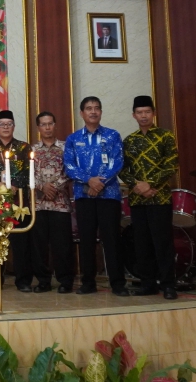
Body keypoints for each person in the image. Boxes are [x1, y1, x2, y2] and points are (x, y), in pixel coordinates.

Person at [64, 96, 129, 296]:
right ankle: (88, 283)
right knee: (87, 240)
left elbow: (117, 162)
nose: (93, 111)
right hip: (84, 197)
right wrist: (89, 180)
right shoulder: (73, 139)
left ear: (101, 112)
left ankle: (118, 283)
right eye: (89, 108)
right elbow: (69, 166)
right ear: (82, 113)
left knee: (112, 240)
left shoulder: (112, 135)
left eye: (97, 108)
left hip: (109, 196)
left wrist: (100, 183)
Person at [119, 96, 179, 300]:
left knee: (162, 243)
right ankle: (148, 284)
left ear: (153, 113)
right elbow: (122, 168)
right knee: (141, 244)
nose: (143, 116)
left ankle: (168, 285)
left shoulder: (165, 136)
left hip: (159, 198)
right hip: (137, 200)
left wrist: (150, 184)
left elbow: (171, 164)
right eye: (139, 112)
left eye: (147, 112)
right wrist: (137, 186)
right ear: (134, 115)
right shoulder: (129, 140)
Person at [0, 110, 34, 292]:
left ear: (14, 126)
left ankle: (23, 281)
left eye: (8, 124)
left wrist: (15, 185)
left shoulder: (24, 148)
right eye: (2, 124)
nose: (5, 127)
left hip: (18, 203)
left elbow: (29, 171)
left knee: (21, 243)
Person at [30, 111, 74, 294]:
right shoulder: (32, 150)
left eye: (50, 123)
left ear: (55, 125)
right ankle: (43, 281)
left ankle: (65, 281)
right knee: (39, 245)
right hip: (38, 205)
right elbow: (28, 174)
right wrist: (42, 186)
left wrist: (54, 187)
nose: (47, 127)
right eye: (43, 124)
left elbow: (71, 171)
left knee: (62, 245)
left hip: (60, 204)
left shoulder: (66, 147)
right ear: (38, 127)